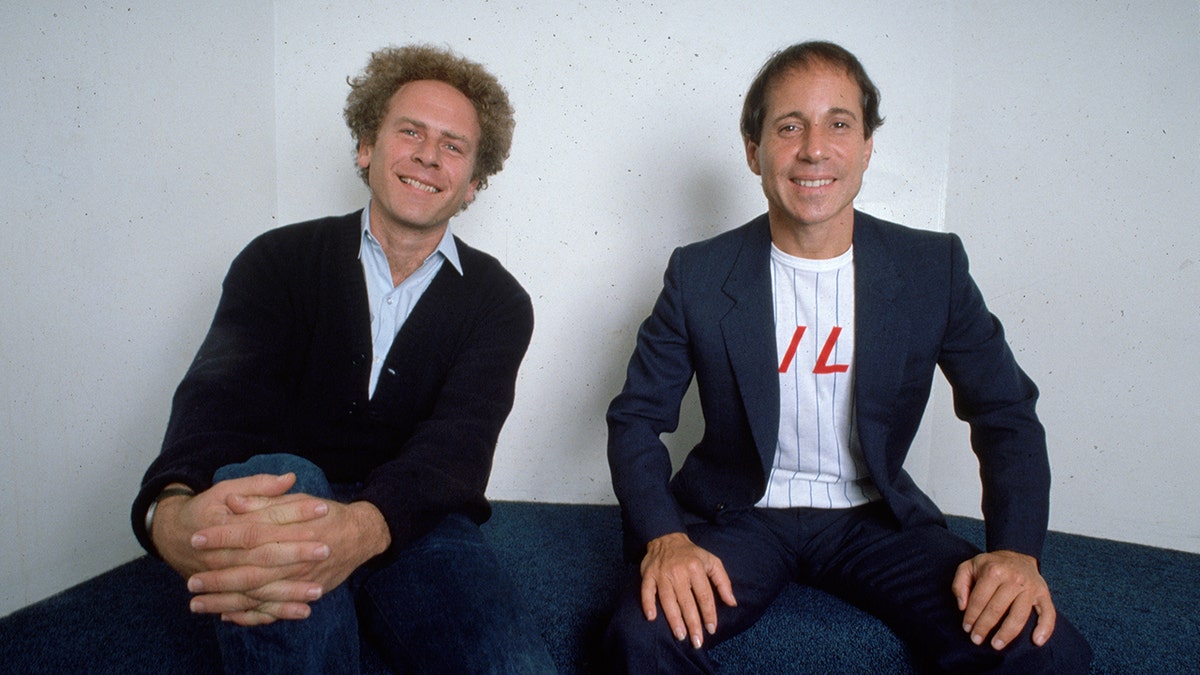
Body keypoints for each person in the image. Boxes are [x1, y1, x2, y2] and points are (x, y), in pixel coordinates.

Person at [604, 41, 1093, 673]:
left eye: (839, 123)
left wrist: (1018, 553)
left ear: (866, 148)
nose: (814, 148)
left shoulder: (931, 268)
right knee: (640, 635)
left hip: (876, 523)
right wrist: (666, 539)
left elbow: (1005, 413)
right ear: (754, 152)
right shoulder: (698, 274)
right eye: (788, 126)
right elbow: (636, 419)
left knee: (1040, 647)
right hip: (738, 517)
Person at [130, 44, 555, 674]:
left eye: (453, 146)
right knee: (280, 473)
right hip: (288, 502)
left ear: (472, 186)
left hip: (418, 523)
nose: (428, 156)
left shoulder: (498, 301)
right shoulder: (277, 260)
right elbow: (216, 400)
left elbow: (457, 450)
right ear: (366, 147)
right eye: (409, 131)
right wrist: (166, 513)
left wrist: (359, 530)